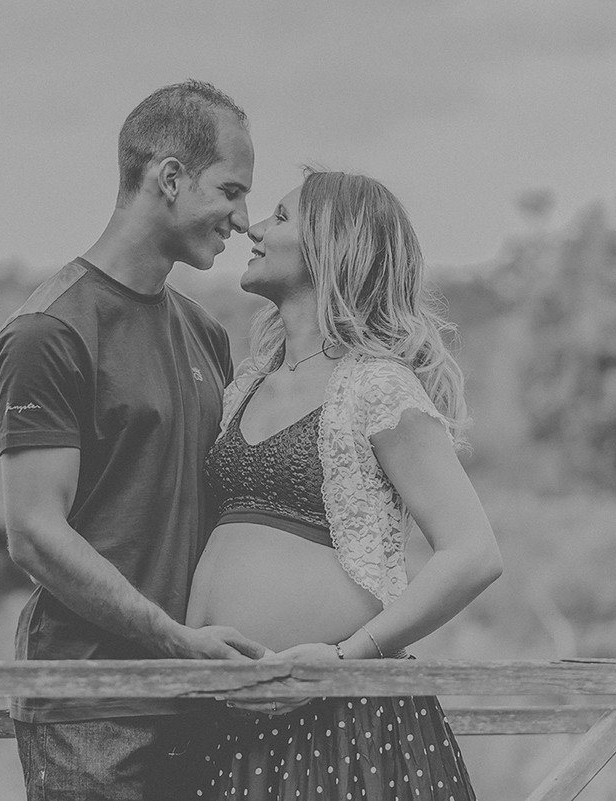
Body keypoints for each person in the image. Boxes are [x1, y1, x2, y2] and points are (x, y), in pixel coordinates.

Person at [175, 169, 503, 799]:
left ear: (333, 246)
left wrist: (343, 660)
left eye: (279, 216)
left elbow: (473, 553)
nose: (254, 227)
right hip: (228, 722)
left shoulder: (376, 386)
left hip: (341, 721)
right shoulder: (246, 383)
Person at [0, 80, 265, 801]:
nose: (243, 217)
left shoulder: (205, 331)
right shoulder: (51, 330)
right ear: (170, 179)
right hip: (93, 706)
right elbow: (35, 534)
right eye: (230, 191)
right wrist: (174, 638)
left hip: (198, 697)